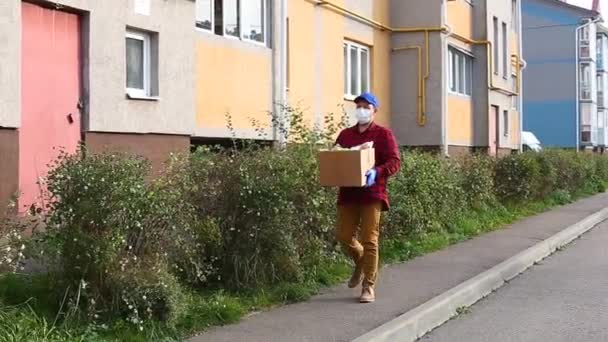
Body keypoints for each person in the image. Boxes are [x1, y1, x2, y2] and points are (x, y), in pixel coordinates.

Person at [334, 92, 401, 303]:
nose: (362, 109)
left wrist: (377, 172)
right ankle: (361, 262)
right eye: (359, 106)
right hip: (348, 192)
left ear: (374, 110)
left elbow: (394, 161)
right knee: (344, 236)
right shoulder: (346, 135)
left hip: (372, 193)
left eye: (366, 106)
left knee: (370, 239)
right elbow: (336, 156)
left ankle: (368, 287)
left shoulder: (383, 135)